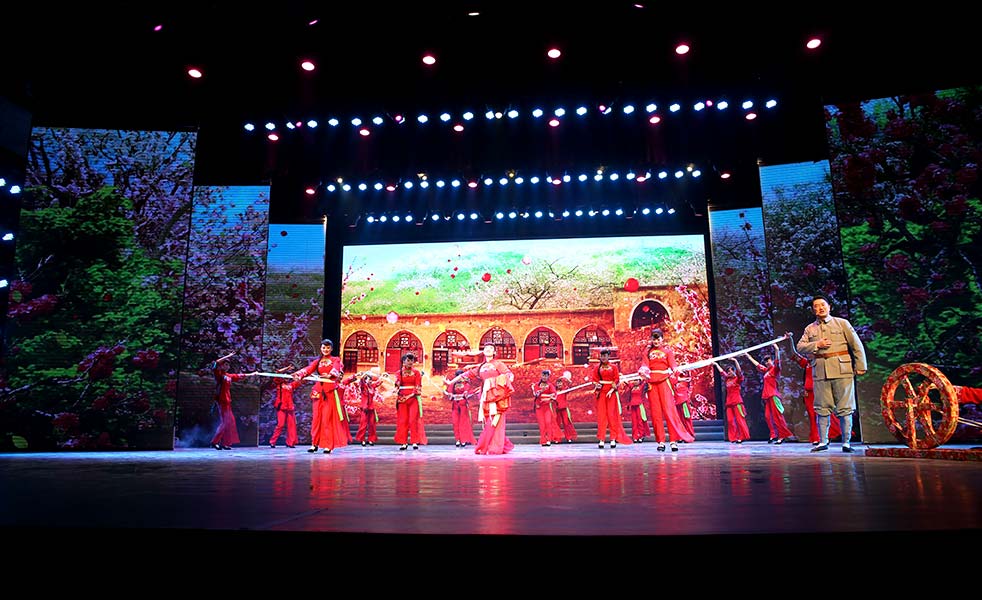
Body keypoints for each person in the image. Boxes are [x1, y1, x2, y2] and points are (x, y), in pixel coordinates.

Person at [796, 295, 867, 453]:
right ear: (813, 310)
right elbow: (800, 347)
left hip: (842, 370)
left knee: (845, 408)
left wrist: (860, 365)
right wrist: (817, 344)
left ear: (829, 307)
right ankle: (823, 441)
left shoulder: (842, 323)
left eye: (823, 305)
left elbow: (856, 345)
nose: (820, 308)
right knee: (821, 408)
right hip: (820, 371)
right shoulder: (810, 328)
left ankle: (846, 443)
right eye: (816, 306)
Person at [638, 329, 694, 451]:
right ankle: (661, 442)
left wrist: (677, 372)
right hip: (652, 385)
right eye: (654, 339)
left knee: (669, 412)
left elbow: (673, 365)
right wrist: (643, 372)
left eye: (658, 339)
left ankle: (673, 441)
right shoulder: (647, 352)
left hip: (664, 383)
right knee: (656, 414)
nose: (656, 341)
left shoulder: (668, 352)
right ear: (651, 339)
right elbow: (645, 365)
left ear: (662, 339)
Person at [293, 339, 349, 454]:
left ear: (331, 349)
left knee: (326, 419)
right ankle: (314, 444)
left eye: (328, 348)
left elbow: (336, 369)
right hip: (318, 392)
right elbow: (308, 370)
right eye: (324, 347)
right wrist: (299, 374)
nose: (325, 349)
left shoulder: (335, 360)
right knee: (316, 419)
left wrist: (330, 375)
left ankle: (328, 445)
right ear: (321, 348)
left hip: (329, 392)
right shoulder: (317, 361)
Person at [746, 339, 795, 444]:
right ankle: (773, 435)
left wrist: (776, 349)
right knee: (768, 417)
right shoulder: (766, 371)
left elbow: (778, 361)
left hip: (774, 396)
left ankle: (782, 436)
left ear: (771, 361)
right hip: (767, 397)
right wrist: (748, 356)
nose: (767, 362)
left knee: (777, 417)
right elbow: (758, 365)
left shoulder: (775, 369)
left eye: (768, 361)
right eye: (765, 361)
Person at [473, 344, 515, 455]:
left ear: (494, 352)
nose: (488, 349)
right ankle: (499, 445)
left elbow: (509, 374)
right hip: (486, 398)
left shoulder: (498, 364)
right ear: (483, 351)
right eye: (486, 348)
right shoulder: (481, 367)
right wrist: (451, 382)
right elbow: (468, 374)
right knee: (489, 422)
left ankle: (493, 447)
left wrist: (505, 380)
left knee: (494, 423)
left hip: (497, 397)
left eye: (491, 348)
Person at [210, 352, 256, 450]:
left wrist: (252, 374)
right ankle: (214, 442)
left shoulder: (228, 376)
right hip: (222, 401)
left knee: (230, 422)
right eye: (225, 364)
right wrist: (229, 356)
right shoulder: (219, 375)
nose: (227, 366)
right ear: (221, 366)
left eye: (228, 365)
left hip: (227, 401)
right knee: (224, 422)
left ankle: (225, 443)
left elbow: (239, 376)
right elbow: (216, 362)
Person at [590, 349, 633, 449]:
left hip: (611, 393)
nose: (603, 358)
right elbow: (594, 379)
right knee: (602, 416)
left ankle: (613, 438)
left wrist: (612, 389)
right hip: (601, 393)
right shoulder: (597, 368)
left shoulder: (613, 367)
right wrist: (596, 385)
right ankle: (601, 439)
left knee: (612, 415)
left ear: (608, 356)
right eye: (602, 356)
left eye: (605, 356)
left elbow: (616, 379)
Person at [394, 353, 427, 450]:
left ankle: (414, 441)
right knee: (403, 420)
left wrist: (412, 394)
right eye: (408, 360)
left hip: (413, 398)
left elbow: (418, 385)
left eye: (412, 360)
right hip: (402, 400)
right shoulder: (399, 373)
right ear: (403, 361)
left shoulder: (416, 372)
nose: (410, 362)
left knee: (413, 420)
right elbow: (397, 384)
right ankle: (403, 442)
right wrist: (396, 386)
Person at [342, 369, 383, 447]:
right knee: (363, 424)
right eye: (368, 379)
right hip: (364, 408)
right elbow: (360, 382)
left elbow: (378, 382)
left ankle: (371, 439)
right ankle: (362, 439)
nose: (370, 381)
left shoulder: (372, 387)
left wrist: (382, 377)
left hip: (371, 408)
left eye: (371, 380)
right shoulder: (363, 387)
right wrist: (363, 375)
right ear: (365, 380)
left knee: (372, 425)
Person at [715, 357, 751, 443]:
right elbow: (722, 372)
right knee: (730, 421)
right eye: (728, 371)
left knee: (739, 420)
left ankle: (742, 436)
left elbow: (739, 371)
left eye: (730, 371)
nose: (729, 373)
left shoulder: (738, 379)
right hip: (729, 403)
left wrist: (735, 361)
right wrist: (716, 364)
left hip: (737, 402)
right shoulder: (727, 379)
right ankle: (733, 438)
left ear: (733, 371)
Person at [268, 365, 301, 448]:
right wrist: (287, 368)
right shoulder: (279, 384)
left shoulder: (291, 385)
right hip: (281, 406)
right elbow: (277, 372)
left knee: (292, 425)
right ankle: (272, 441)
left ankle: (290, 443)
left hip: (289, 407)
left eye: (288, 376)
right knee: (280, 425)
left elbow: (299, 381)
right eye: (285, 375)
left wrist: (297, 376)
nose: (286, 377)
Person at [444, 369, 478, 447]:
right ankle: (457, 440)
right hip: (455, 405)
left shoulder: (466, 383)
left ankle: (463, 440)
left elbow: (467, 392)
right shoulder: (453, 384)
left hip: (463, 405)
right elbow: (450, 393)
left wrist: (465, 394)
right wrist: (450, 395)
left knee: (463, 422)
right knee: (455, 422)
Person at [531, 369, 561, 446]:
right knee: (542, 424)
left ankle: (549, 440)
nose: (544, 377)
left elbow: (554, 394)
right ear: (541, 376)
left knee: (548, 422)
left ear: (548, 377)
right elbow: (536, 395)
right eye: (543, 375)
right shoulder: (536, 385)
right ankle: (543, 440)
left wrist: (545, 396)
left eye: (546, 376)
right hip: (539, 408)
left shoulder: (550, 385)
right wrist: (543, 393)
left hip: (547, 407)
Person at [621, 378, 650, 443]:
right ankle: (635, 436)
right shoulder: (632, 387)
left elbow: (646, 380)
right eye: (634, 380)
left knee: (640, 421)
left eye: (637, 380)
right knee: (634, 422)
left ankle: (641, 435)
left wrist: (642, 376)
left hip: (639, 405)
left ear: (639, 381)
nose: (635, 381)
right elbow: (626, 382)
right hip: (633, 406)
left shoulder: (641, 386)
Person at [670, 373, 696, 441]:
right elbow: (671, 380)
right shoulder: (674, 378)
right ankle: (681, 436)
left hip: (683, 401)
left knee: (686, 418)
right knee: (679, 419)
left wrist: (681, 379)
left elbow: (689, 379)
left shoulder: (686, 378)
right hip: (676, 400)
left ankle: (689, 435)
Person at [553, 373, 578, 443]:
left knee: (566, 423)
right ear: (556, 384)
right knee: (557, 424)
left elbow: (571, 385)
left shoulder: (564, 390)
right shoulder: (554, 391)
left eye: (560, 383)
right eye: (558, 383)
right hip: (557, 410)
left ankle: (569, 437)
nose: (559, 384)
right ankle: (557, 439)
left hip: (564, 409)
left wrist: (566, 379)